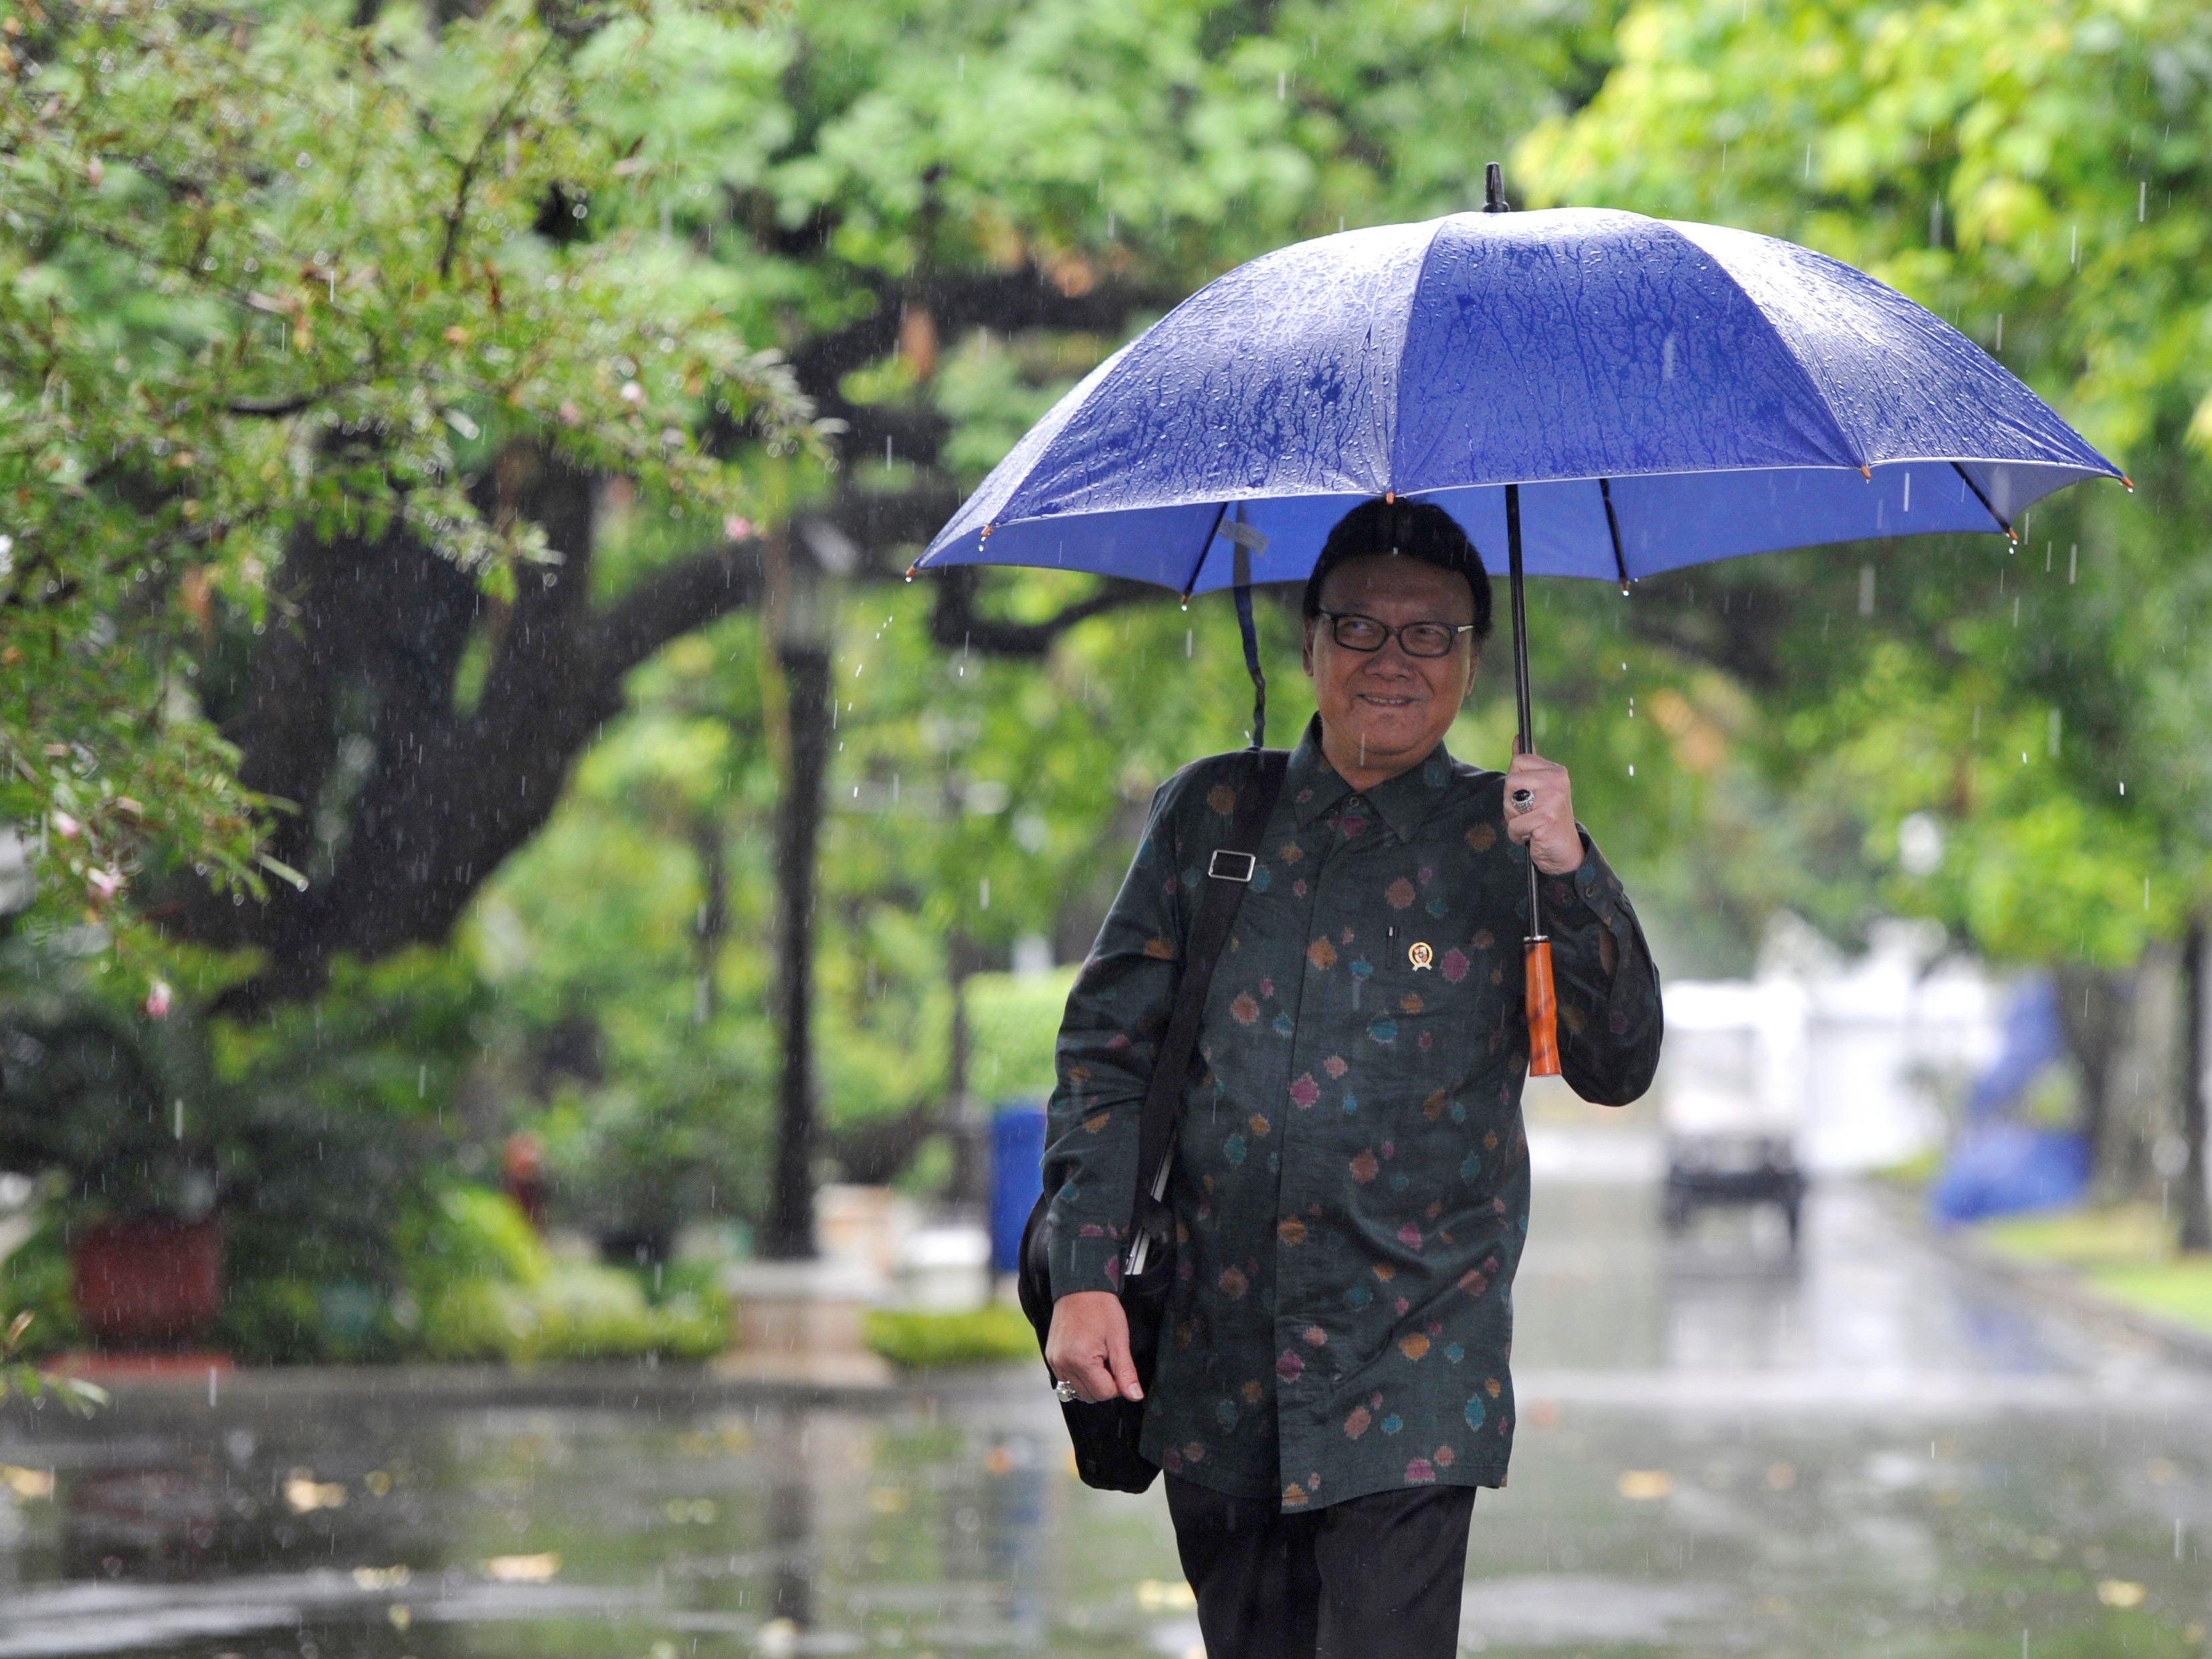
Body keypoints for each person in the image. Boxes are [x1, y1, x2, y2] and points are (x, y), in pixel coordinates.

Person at [1041, 496, 1663, 1658]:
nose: (1393, 659)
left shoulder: (1514, 840)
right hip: (1219, 1358)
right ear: (1312, 641)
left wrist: (1571, 870)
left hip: (1415, 1376)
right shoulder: (1213, 816)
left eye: (1430, 634)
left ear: (1474, 660)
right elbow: (1106, 1058)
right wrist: (1084, 1274)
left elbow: (1619, 1064)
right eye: (1360, 627)